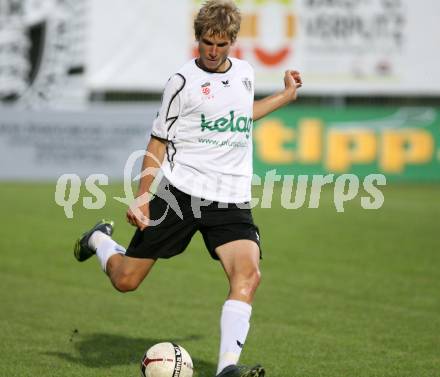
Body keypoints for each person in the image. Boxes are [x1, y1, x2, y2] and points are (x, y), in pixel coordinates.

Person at [74, 1, 302, 376]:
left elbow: (241, 116)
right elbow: (157, 144)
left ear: (232, 42)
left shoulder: (244, 72)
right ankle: (99, 241)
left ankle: (227, 368)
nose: (213, 51)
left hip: (231, 200)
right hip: (180, 195)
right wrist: (144, 198)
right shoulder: (181, 83)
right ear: (198, 39)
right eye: (207, 43)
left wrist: (285, 96)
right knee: (126, 281)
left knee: (248, 275)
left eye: (221, 44)